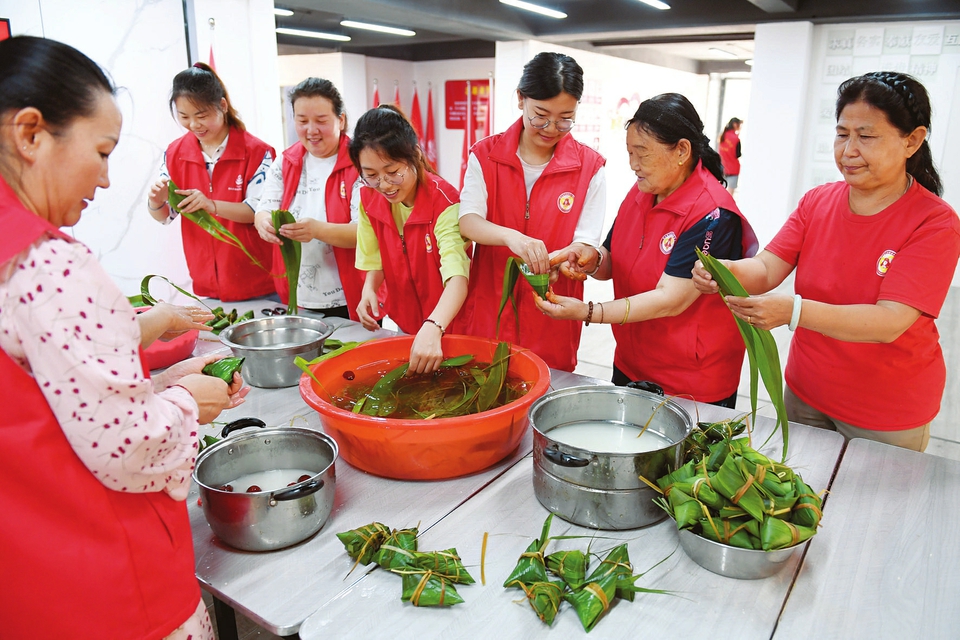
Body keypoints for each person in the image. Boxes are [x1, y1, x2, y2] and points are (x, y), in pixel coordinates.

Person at [0, 36, 247, 639]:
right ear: (32, 134)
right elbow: (130, 447)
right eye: (102, 151)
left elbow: (45, 384)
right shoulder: (48, 265)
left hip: (32, 576)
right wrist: (189, 400)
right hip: (111, 581)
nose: (107, 180)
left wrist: (147, 352)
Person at [692, 71, 960, 451]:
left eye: (866, 136)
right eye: (841, 134)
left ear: (912, 141)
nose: (848, 150)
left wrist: (792, 312)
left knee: (868, 510)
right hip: (806, 393)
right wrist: (724, 269)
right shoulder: (817, 201)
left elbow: (889, 321)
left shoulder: (934, 222)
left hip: (885, 411)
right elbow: (767, 267)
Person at [537, 94, 758, 407]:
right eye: (629, 152)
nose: (633, 164)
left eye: (641, 153)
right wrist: (588, 257)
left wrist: (588, 312)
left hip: (690, 382)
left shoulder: (712, 215)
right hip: (632, 362)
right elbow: (611, 259)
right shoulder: (642, 191)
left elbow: (670, 300)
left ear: (682, 150)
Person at [458, 52, 606, 372]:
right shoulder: (485, 155)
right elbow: (468, 220)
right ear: (521, 99)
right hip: (491, 312)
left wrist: (571, 257)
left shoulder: (589, 167)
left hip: (553, 316)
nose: (551, 127)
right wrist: (513, 238)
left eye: (565, 118)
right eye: (541, 114)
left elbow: (587, 241)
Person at [349, 105, 471, 374]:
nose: (384, 185)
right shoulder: (368, 199)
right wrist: (370, 289)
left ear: (414, 155)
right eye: (371, 175)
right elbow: (375, 258)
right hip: (406, 324)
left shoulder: (445, 203)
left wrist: (435, 326)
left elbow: (457, 278)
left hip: (450, 324)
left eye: (393, 171)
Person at [147, 62, 276, 302]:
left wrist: (211, 204)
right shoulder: (175, 154)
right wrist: (156, 203)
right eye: (184, 117)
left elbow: (258, 210)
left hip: (258, 283)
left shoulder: (258, 152)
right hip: (207, 284)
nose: (194, 125)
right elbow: (167, 216)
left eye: (201, 116)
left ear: (223, 106)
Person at [253, 77, 366, 319]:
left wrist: (316, 230)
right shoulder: (286, 161)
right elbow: (263, 209)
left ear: (341, 119)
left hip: (352, 295)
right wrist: (264, 224)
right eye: (302, 121)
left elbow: (365, 232)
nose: (311, 130)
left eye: (321, 121)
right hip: (296, 292)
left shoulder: (360, 163)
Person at [718, 117, 742, 195]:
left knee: (720, 192)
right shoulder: (736, 139)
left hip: (723, 168)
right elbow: (737, 154)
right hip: (733, 169)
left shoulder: (722, 136)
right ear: (735, 125)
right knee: (730, 195)